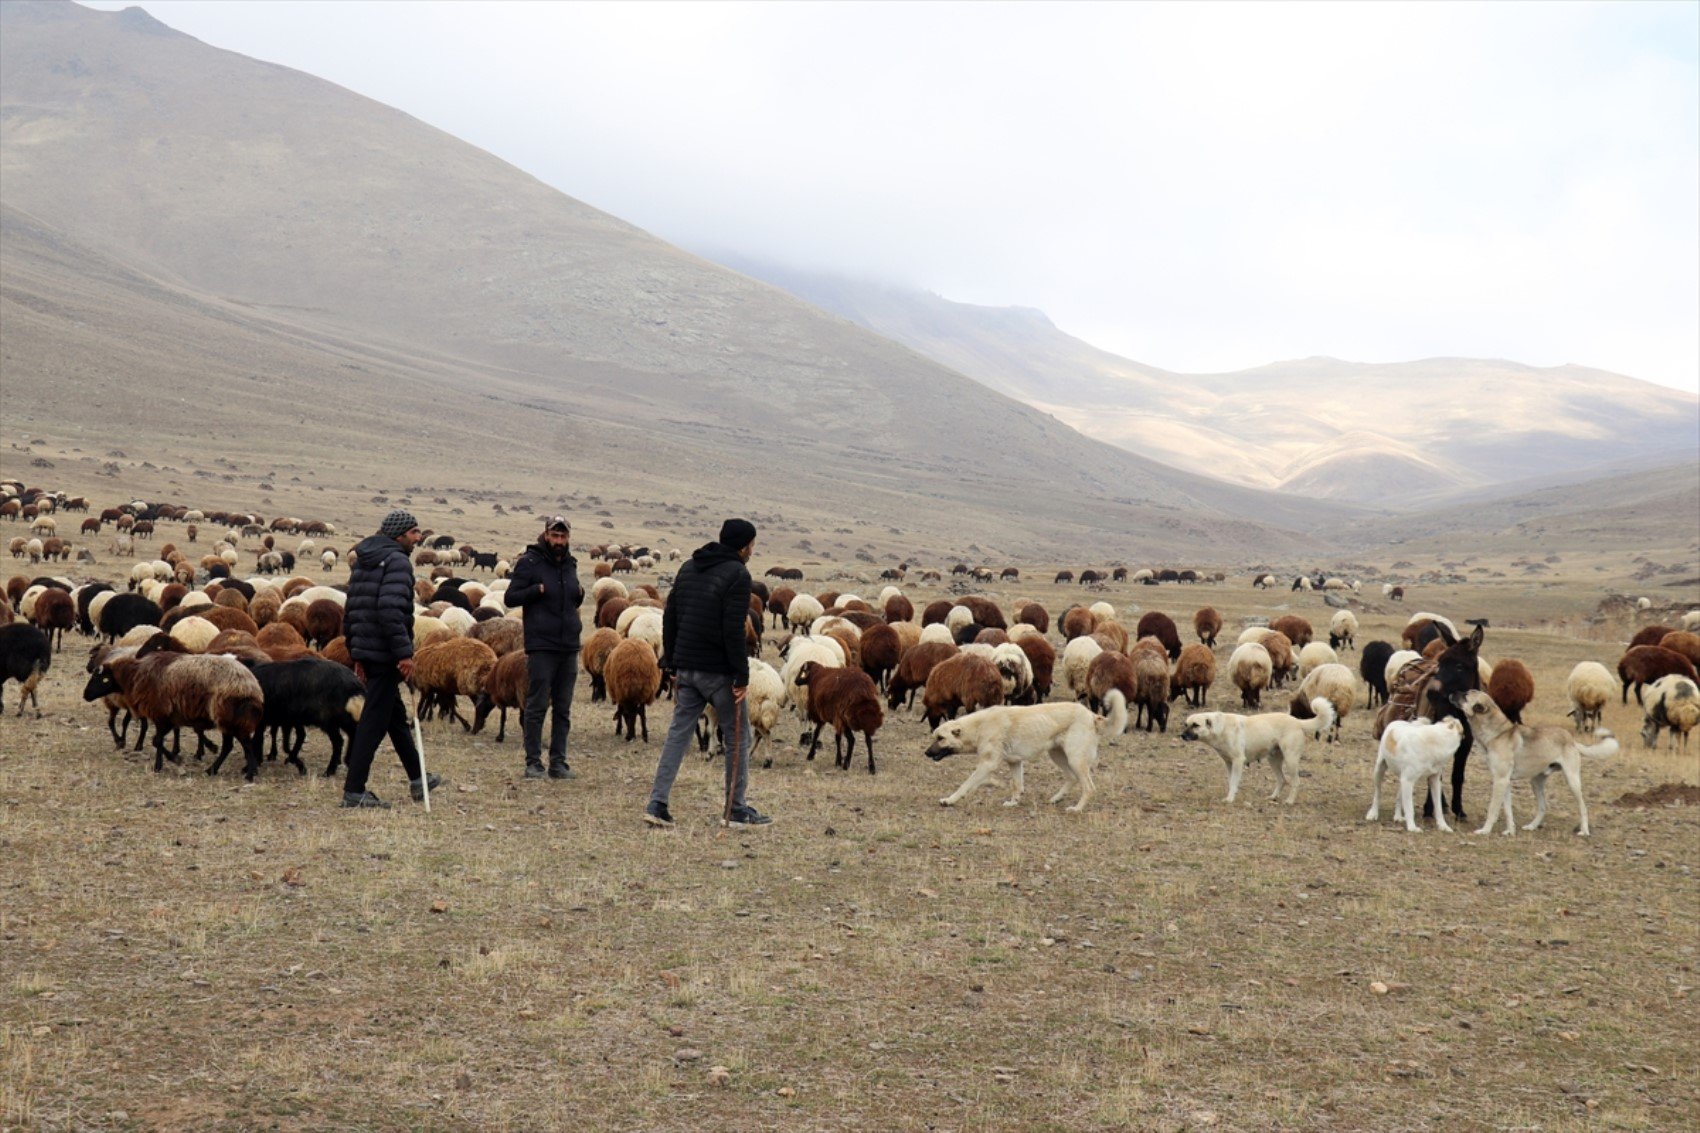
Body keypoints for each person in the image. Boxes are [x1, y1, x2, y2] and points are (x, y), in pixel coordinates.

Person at [645, 518, 771, 829]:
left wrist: (671, 662)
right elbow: (733, 629)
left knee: (678, 733)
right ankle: (736, 809)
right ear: (743, 546)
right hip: (718, 672)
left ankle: (657, 803)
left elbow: (670, 615)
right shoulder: (738, 574)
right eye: (752, 545)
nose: (753, 550)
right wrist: (741, 676)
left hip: (686, 667)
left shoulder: (689, 567)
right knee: (737, 736)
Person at [340, 508, 443, 809]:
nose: (418, 538)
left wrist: (357, 653)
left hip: (369, 649)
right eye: (414, 533)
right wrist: (403, 654)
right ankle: (354, 790)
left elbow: (353, 609)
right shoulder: (397, 560)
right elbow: (389, 610)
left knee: (394, 717)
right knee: (373, 721)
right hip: (386, 653)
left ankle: (417, 778)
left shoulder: (363, 560)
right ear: (399, 535)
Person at [504, 514, 586, 780]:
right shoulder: (530, 562)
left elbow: (573, 597)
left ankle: (558, 763)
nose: (559, 540)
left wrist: (580, 594)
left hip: (568, 646)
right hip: (542, 646)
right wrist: (534, 591)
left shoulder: (570, 564)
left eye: (563, 536)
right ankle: (533, 762)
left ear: (568, 538)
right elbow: (510, 597)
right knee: (537, 705)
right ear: (546, 535)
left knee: (563, 708)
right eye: (555, 535)